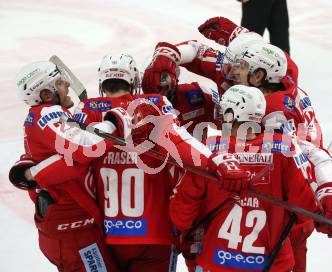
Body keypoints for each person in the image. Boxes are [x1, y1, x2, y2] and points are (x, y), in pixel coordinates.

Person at [144, 17, 332, 271]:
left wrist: (329, 192)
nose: (229, 73)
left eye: (237, 67)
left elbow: (312, 156)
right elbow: (198, 52)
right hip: (243, 208)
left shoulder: (276, 116)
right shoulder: (258, 76)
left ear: (258, 76)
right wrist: (169, 54)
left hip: (277, 219)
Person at [22, 53, 251, 271]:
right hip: (156, 233)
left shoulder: (88, 112)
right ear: (134, 81)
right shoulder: (153, 104)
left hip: (109, 233)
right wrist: (215, 162)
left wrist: (32, 172)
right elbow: (180, 141)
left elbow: (71, 161)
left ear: (102, 82)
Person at [170, 85, 317, 271]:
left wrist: (184, 235)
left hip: (216, 262)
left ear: (232, 114)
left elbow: (182, 210)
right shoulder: (283, 147)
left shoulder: (209, 148)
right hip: (272, 264)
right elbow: (305, 211)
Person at [8, 60, 131, 272]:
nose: (66, 83)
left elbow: (68, 152)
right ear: (47, 94)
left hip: (73, 228)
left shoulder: (49, 115)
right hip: (71, 230)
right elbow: (82, 149)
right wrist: (113, 123)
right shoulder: (47, 112)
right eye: (59, 81)